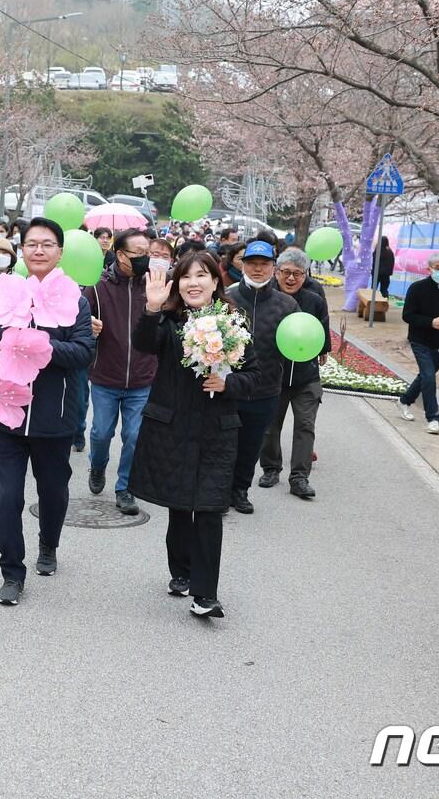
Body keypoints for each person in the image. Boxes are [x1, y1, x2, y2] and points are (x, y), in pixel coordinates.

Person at [128, 251, 260, 618]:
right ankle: (181, 573)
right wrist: (152, 308)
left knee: (209, 509)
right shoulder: (169, 319)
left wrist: (229, 382)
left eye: (202, 275)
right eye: (186, 276)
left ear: (217, 282)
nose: (194, 282)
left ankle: (206, 594)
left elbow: (258, 376)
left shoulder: (233, 323)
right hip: (172, 428)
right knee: (180, 509)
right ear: (178, 284)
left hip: (216, 430)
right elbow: (143, 345)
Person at [0, 218, 96, 606]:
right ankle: (12, 572)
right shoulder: (9, 295)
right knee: (6, 498)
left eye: (47, 244)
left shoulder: (75, 300)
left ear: (60, 252)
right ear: (21, 250)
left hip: (54, 418)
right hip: (8, 418)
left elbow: (82, 353)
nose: (38, 250)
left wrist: (38, 345)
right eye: (31, 244)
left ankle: (49, 542)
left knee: (53, 492)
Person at [82, 228, 156, 515]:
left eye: (148, 253)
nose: (145, 259)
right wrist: (89, 326)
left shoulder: (153, 286)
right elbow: (79, 322)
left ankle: (125, 487)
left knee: (135, 435)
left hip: (143, 377)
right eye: (139, 254)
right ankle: (97, 466)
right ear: (121, 254)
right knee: (101, 433)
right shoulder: (97, 286)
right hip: (105, 376)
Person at [223, 238, 299, 514]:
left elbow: (297, 342)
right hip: (229, 386)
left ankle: (241, 490)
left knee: (251, 444)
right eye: (252, 263)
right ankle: (221, 491)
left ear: (273, 267)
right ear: (242, 265)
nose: (257, 269)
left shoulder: (287, 305)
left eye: (264, 264)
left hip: (266, 389)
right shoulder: (226, 297)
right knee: (224, 442)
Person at [258, 248, 330, 500]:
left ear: (305, 275)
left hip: (306, 376)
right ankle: (270, 468)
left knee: (305, 425)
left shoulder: (315, 300)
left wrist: (323, 350)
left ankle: (299, 477)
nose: (291, 278)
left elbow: (322, 333)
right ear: (276, 272)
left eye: (297, 274)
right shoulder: (267, 299)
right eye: (286, 272)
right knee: (270, 426)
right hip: (272, 375)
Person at [397, 252, 439, 435]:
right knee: (429, 376)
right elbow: (408, 315)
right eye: (438, 268)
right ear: (429, 269)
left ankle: (404, 401)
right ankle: (433, 418)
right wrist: (430, 322)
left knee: (426, 376)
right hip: (419, 340)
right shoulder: (417, 288)